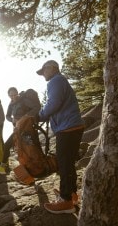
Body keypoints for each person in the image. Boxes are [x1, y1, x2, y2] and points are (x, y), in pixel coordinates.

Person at [36, 60, 84, 214]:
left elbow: (53, 103)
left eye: (44, 71)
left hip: (67, 127)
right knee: (68, 163)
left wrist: (40, 115)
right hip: (71, 126)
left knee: (64, 164)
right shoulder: (61, 80)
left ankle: (65, 201)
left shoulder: (55, 81)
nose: (43, 74)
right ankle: (72, 194)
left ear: (52, 68)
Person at [0, 87, 41, 174]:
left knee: (30, 149)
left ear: (17, 93)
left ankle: (37, 169)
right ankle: (3, 168)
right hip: (18, 129)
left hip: (26, 129)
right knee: (8, 146)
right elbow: (7, 116)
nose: (13, 97)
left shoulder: (24, 100)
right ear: (8, 96)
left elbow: (37, 107)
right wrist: (12, 120)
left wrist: (25, 117)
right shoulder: (11, 104)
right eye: (11, 95)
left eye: (14, 94)